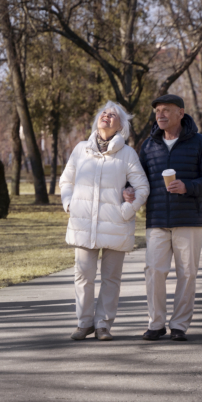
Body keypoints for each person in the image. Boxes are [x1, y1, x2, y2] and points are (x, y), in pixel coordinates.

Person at [124, 94, 202, 341]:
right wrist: (129, 189)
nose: (160, 115)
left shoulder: (200, 143)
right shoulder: (148, 145)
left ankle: (179, 325)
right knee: (154, 271)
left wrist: (187, 186)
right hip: (156, 219)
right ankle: (156, 324)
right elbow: (137, 178)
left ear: (181, 112)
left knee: (187, 273)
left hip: (189, 219)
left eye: (166, 110)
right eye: (157, 111)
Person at [59, 101, 150, 341]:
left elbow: (142, 187)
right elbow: (66, 180)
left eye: (113, 115)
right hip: (83, 224)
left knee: (111, 279)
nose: (106, 116)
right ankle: (84, 323)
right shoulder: (81, 149)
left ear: (121, 126)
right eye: (104, 113)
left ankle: (103, 325)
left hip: (116, 224)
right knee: (83, 276)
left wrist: (126, 210)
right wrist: (69, 203)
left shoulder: (127, 154)